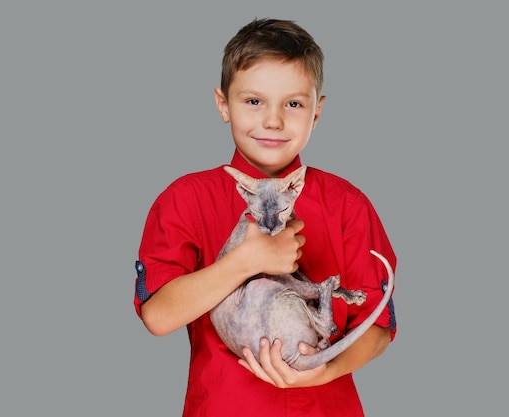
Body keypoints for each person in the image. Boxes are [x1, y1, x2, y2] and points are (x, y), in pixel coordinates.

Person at [133, 17, 397, 416]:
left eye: (293, 103)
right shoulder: (185, 200)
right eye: (253, 101)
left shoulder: (348, 204)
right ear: (223, 104)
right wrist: (246, 261)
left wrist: (326, 371)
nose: (273, 120)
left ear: (317, 111)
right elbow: (157, 316)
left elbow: (378, 327)